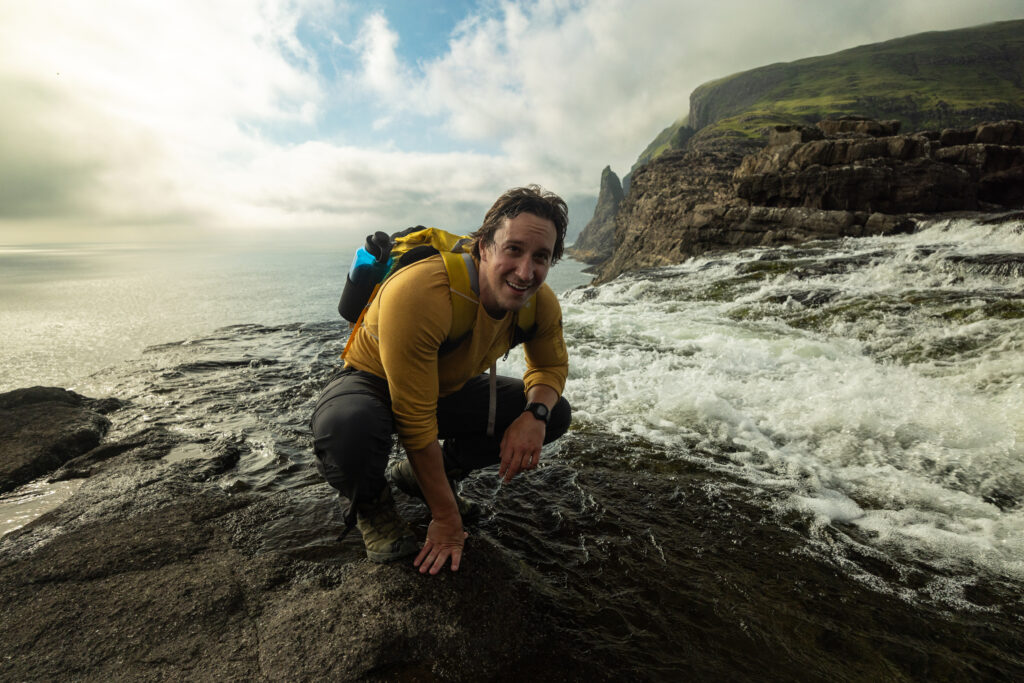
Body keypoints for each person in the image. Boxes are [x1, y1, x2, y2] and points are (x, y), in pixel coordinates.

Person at [311, 185, 572, 575]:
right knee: (347, 428)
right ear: (483, 247)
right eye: (513, 250)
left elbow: (549, 368)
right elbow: (416, 422)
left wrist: (534, 414)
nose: (525, 272)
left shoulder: (538, 302)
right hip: (373, 381)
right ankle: (373, 504)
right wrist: (447, 520)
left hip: (442, 389)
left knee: (556, 413)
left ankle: (430, 473)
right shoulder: (424, 291)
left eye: (541, 257)